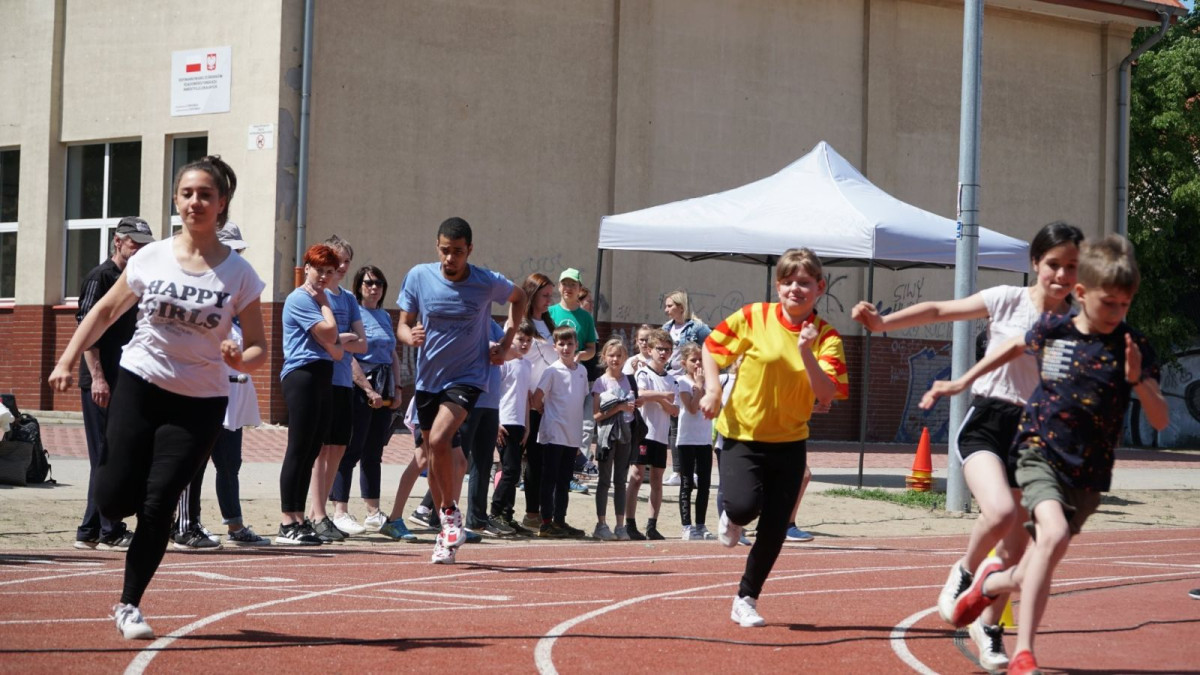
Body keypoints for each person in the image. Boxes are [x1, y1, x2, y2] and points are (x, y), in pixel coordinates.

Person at [918, 235, 1167, 675]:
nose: (1117, 314)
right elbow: (1012, 347)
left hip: (1088, 474)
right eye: (1109, 304)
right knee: (1048, 536)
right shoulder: (1054, 329)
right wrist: (961, 383)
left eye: (1125, 305)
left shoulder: (1135, 346)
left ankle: (988, 584)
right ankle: (1025, 652)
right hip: (1038, 453)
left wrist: (1139, 382)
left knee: (1037, 562)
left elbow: (1161, 419)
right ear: (1083, 294)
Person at [48, 155, 266, 640]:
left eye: (205, 195)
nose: (195, 202)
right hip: (140, 386)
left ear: (221, 203)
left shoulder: (240, 275)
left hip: (200, 402)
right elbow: (104, 311)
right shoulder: (152, 257)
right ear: (176, 200)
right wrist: (66, 360)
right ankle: (114, 505)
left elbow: (258, 348)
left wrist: (239, 359)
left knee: (159, 503)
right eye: (187, 194)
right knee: (111, 497)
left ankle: (128, 604)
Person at [851, 221, 1084, 672]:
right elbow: (939, 309)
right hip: (988, 421)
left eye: (1071, 267)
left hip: (1034, 434)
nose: (1061, 275)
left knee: (1017, 546)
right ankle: (963, 572)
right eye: (1053, 264)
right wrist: (882, 324)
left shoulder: (1076, 324)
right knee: (998, 513)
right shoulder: (1006, 299)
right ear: (1036, 263)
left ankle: (989, 626)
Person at [700, 247, 845, 628]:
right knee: (746, 506)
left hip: (790, 442)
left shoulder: (827, 336)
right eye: (789, 281)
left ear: (819, 287)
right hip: (741, 434)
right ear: (778, 285)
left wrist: (806, 351)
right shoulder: (752, 316)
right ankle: (733, 516)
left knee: (775, 526)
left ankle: (746, 597)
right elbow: (712, 350)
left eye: (805, 283)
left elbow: (827, 393)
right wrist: (713, 391)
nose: (796, 289)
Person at [396, 217, 526, 564]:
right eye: (444, 251)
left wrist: (506, 341)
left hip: (469, 377)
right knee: (436, 456)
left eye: (457, 252)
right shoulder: (419, 276)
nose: (450, 259)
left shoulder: (486, 282)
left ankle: (451, 513)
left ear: (470, 250)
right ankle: (446, 529)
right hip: (429, 380)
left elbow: (520, 297)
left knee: (438, 441)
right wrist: (410, 337)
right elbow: (403, 324)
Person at [172, 223, 271, 549]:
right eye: (233, 250)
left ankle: (235, 524)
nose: (237, 256)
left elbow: (256, 344)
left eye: (240, 251)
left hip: (233, 395)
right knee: (194, 462)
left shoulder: (240, 292)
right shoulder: (199, 287)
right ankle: (185, 525)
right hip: (202, 393)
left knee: (229, 463)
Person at [72, 217, 153, 552]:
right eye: (134, 242)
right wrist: (98, 378)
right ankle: (109, 529)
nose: (140, 248)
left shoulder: (135, 280)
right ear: (118, 241)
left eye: (144, 243)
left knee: (110, 454)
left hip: (125, 379)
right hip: (101, 381)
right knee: (107, 455)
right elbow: (87, 330)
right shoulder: (101, 276)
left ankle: (91, 530)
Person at [278, 243, 345, 546]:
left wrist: (324, 302)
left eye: (330, 272)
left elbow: (337, 348)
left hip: (322, 372)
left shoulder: (320, 298)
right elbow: (331, 335)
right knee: (299, 446)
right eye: (320, 270)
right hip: (301, 375)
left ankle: (300, 517)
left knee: (312, 448)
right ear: (307, 268)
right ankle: (286, 520)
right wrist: (325, 303)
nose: (324, 277)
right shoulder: (301, 298)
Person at [331, 265, 404, 536]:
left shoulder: (384, 315)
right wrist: (367, 389)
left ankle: (373, 512)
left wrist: (396, 388)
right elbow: (348, 355)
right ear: (359, 287)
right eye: (368, 283)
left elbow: (392, 353)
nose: (374, 288)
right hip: (360, 387)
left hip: (384, 387)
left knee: (374, 453)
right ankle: (339, 510)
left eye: (379, 283)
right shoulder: (354, 314)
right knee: (351, 449)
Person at [308, 236, 366, 542]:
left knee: (339, 448)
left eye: (345, 262)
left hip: (344, 380)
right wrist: (341, 340)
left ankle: (325, 513)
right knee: (320, 450)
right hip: (321, 378)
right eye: (336, 262)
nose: (341, 268)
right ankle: (316, 513)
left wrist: (338, 340)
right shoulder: (313, 296)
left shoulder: (349, 300)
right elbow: (321, 340)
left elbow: (363, 342)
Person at [530, 325, 589, 538]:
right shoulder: (552, 370)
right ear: (555, 347)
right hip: (554, 432)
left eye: (570, 344)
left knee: (565, 480)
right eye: (561, 344)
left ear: (576, 346)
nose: (566, 348)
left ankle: (560, 520)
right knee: (550, 478)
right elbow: (537, 397)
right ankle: (546, 522)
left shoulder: (582, 371)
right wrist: (543, 409)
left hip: (572, 434)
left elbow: (580, 399)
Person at [624, 328, 679, 541]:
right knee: (636, 476)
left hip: (661, 435)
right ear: (650, 350)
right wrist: (662, 397)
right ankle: (629, 522)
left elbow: (674, 410)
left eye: (667, 350)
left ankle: (652, 524)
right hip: (643, 433)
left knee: (657, 478)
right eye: (659, 349)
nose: (663, 353)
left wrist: (661, 399)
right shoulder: (644, 372)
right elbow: (641, 395)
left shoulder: (672, 380)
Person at [516, 273, 558, 530]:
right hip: (529, 400)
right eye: (544, 295)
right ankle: (531, 512)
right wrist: (533, 396)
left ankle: (546, 514)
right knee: (532, 458)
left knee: (546, 460)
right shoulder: (521, 323)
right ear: (531, 294)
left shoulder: (550, 324)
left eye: (550, 295)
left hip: (552, 401)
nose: (548, 300)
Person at [662, 290, 711, 487]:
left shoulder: (698, 327)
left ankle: (696, 470)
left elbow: (713, 347)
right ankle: (677, 470)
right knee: (675, 426)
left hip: (691, 380)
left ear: (681, 307)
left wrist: (705, 372)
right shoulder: (667, 327)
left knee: (695, 421)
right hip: (671, 380)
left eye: (670, 306)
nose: (666, 310)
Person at [492, 321, 537, 533]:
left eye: (528, 340)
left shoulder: (527, 365)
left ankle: (507, 515)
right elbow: (494, 391)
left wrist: (527, 425)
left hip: (519, 422)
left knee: (515, 469)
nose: (525, 344)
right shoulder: (504, 362)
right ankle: (495, 511)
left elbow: (526, 398)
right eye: (520, 339)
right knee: (510, 470)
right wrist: (496, 422)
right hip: (505, 420)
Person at [591, 337, 637, 540]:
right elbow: (596, 416)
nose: (615, 359)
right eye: (611, 355)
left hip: (625, 434)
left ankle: (620, 525)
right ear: (604, 357)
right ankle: (601, 524)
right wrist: (617, 407)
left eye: (619, 356)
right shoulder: (600, 383)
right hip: (606, 436)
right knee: (604, 480)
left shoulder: (630, 379)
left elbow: (634, 407)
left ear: (625, 357)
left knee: (620, 480)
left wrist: (632, 407)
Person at [675, 342, 714, 540]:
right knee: (687, 482)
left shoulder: (710, 381)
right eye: (693, 360)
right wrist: (698, 386)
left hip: (705, 438)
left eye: (700, 359)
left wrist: (705, 386)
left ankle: (701, 524)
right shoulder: (682, 381)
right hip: (687, 439)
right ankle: (687, 526)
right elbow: (691, 408)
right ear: (684, 363)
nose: (698, 363)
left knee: (705, 483)